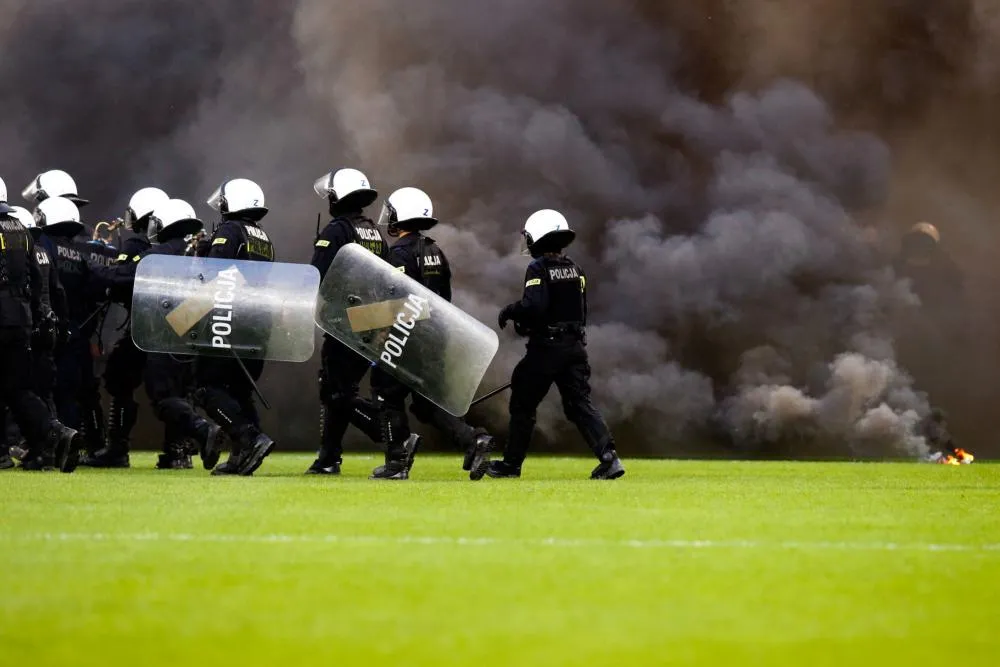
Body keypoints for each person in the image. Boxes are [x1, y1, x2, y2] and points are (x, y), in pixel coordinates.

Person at [368, 187, 493, 480]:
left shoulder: (399, 253)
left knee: (385, 392)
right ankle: (473, 439)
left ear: (401, 216)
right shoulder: (435, 251)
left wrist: (378, 328)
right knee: (426, 402)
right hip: (433, 336)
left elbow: (397, 299)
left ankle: (396, 462)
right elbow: (444, 299)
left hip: (406, 336)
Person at [491, 209, 624, 480]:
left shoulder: (538, 268)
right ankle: (610, 458)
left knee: (523, 403)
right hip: (574, 348)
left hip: (546, 349)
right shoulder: (575, 269)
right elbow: (578, 310)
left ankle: (511, 465)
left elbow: (534, 306)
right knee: (579, 404)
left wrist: (511, 311)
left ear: (538, 238)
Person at [307, 168, 395, 475]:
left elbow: (317, 276)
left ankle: (391, 432)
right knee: (340, 389)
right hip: (372, 322)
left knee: (334, 391)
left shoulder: (337, 230)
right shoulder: (374, 232)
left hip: (345, 322)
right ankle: (328, 458)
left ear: (338, 197)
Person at [24, 172, 109, 457]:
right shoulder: (83, 248)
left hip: (50, 329)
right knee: (78, 391)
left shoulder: (43, 245)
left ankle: (53, 447)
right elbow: (96, 287)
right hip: (79, 330)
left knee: (47, 390)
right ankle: (89, 446)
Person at [83, 187, 169, 467]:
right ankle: (178, 451)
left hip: (144, 325)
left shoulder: (135, 245)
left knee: (118, 379)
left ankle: (117, 449)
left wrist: (93, 270)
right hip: (175, 329)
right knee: (174, 388)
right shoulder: (175, 248)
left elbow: (120, 280)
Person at [0, 193, 83, 472]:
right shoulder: (21, 231)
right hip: (21, 320)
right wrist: (35, 318)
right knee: (18, 390)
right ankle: (57, 433)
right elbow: (37, 281)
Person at [199, 178, 276, 476]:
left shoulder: (230, 231)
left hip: (228, 319)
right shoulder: (263, 236)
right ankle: (243, 454)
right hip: (257, 323)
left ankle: (249, 438)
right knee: (240, 390)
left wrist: (203, 252)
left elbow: (214, 274)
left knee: (206, 386)